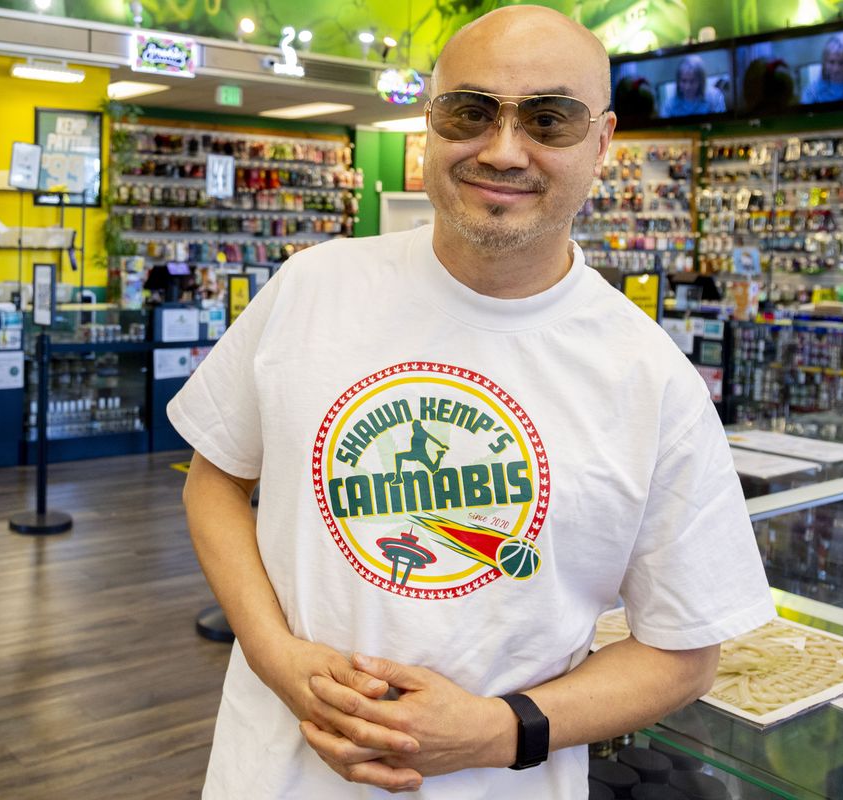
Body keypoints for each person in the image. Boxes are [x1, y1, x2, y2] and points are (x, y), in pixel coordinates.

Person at [171, 6, 774, 797]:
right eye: (471, 111)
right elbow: (213, 480)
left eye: (550, 120)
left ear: (601, 142)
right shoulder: (312, 287)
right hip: (270, 774)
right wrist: (276, 656)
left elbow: (684, 652)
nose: (502, 150)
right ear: (429, 125)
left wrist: (499, 729)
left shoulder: (652, 380)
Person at [660, 54, 727, 117]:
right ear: (678, 81)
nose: (687, 87)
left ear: (700, 81)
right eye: (684, 81)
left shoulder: (715, 97)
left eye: (692, 81)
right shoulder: (669, 105)